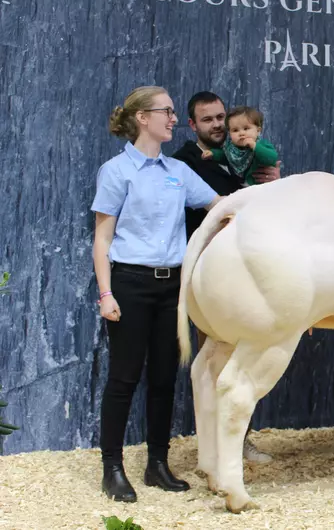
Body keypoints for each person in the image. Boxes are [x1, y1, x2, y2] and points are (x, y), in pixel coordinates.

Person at [92, 86, 221, 502]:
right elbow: (102, 237)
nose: (172, 118)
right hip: (129, 284)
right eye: (166, 111)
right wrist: (106, 294)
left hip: (173, 287)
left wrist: (268, 196)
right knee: (124, 378)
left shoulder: (178, 171)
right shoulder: (116, 171)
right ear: (142, 118)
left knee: (165, 379)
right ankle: (112, 468)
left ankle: (157, 465)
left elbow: (219, 204)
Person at [171, 91, 279, 464]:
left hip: (250, 269)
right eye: (208, 120)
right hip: (210, 275)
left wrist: (274, 182)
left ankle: (238, 442)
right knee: (216, 360)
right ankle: (217, 447)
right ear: (192, 125)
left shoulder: (243, 153)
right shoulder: (183, 163)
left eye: (221, 118)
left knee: (246, 358)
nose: (217, 125)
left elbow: (266, 188)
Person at [200, 106, 280, 187]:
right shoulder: (230, 148)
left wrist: (255, 146)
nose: (241, 133)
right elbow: (224, 156)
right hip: (242, 187)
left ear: (258, 131)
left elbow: (271, 158)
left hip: (261, 187)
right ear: (229, 133)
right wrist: (213, 154)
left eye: (246, 128)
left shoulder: (262, 144)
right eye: (235, 130)